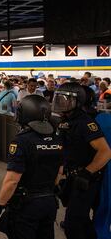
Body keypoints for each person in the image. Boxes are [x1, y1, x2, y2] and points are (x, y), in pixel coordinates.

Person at [0, 95, 64, 239]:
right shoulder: (57, 140)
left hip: (26, 206)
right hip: (49, 202)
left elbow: (12, 180)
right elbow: (59, 172)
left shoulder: (21, 141)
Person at [52, 82, 111, 239]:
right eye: (59, 99)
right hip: (72, 177)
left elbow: (105, 152)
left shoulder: (85, 123)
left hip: (86, 179)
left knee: (73, 224)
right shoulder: (65, 121)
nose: (60, 102)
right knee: (82, 221)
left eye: (65, 99)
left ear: (77, 101)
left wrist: (87, 173)